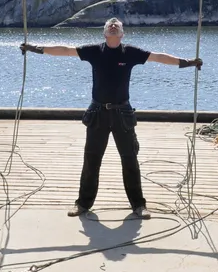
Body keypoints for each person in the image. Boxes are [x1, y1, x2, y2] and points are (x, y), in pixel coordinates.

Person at [20, 17, 202, 220]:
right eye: (109, 25)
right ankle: (83, 204)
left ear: (122, 34)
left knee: (130, 159)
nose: (113, 25)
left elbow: (159, 57)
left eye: (117, 25)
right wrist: (35, 48)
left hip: (122, 114)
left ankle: (138, 205)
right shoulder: (94, 51)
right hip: (97, 113)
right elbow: (65, 50)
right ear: (105, 33)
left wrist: (188, 63)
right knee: (91, 159)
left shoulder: (130, 53)